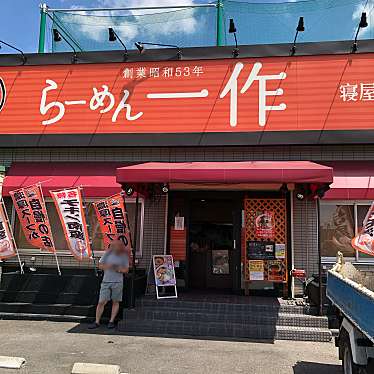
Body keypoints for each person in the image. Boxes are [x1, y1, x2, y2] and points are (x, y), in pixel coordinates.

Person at [89, 239, 129, 329]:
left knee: (116, 301)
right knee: (101, 301)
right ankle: (97, 321)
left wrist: (118, 269)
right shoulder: (107, 254)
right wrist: (108, 266)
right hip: (106, 281)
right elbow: (100, 266)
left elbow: (126, 270)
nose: (115, 248)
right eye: (113, 246)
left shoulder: (124, 256)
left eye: (118, 246)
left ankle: (111, 321)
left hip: (118, 282)